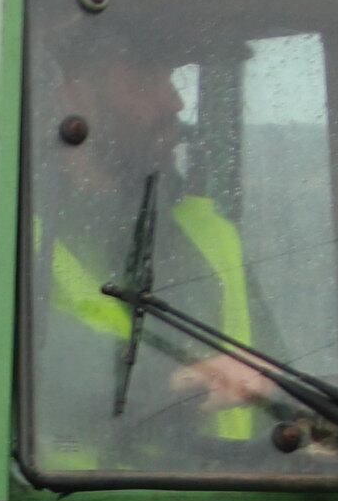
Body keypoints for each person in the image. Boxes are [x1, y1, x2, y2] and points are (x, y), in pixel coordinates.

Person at [33, 41, 274, 446]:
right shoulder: (2, 230)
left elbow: (270, 378)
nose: (175, 102)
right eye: (146, 80)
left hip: (227, 497)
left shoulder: (208, 232)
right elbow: (26, 364)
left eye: (171, 79)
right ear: (72, 95)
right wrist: (172, 381)